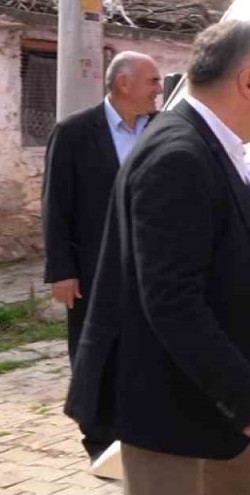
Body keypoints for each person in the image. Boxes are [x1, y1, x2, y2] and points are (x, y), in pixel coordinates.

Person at [65, 21, 250, 495]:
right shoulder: (178, 156)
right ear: (248, 82)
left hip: (208, 403)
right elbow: (171, 302)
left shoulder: (204, 143)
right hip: (166, 410)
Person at [42, 51, 160, 462]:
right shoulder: (74, 132)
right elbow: (56, 206)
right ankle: (99, 441)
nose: (160, 89)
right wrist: (61, 271)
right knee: (95, 353)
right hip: (92, 269)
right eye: (153, 81)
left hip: (150, 268)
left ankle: (141, 433)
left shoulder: (161, 130)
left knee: (144, 352)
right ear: (124, 83)